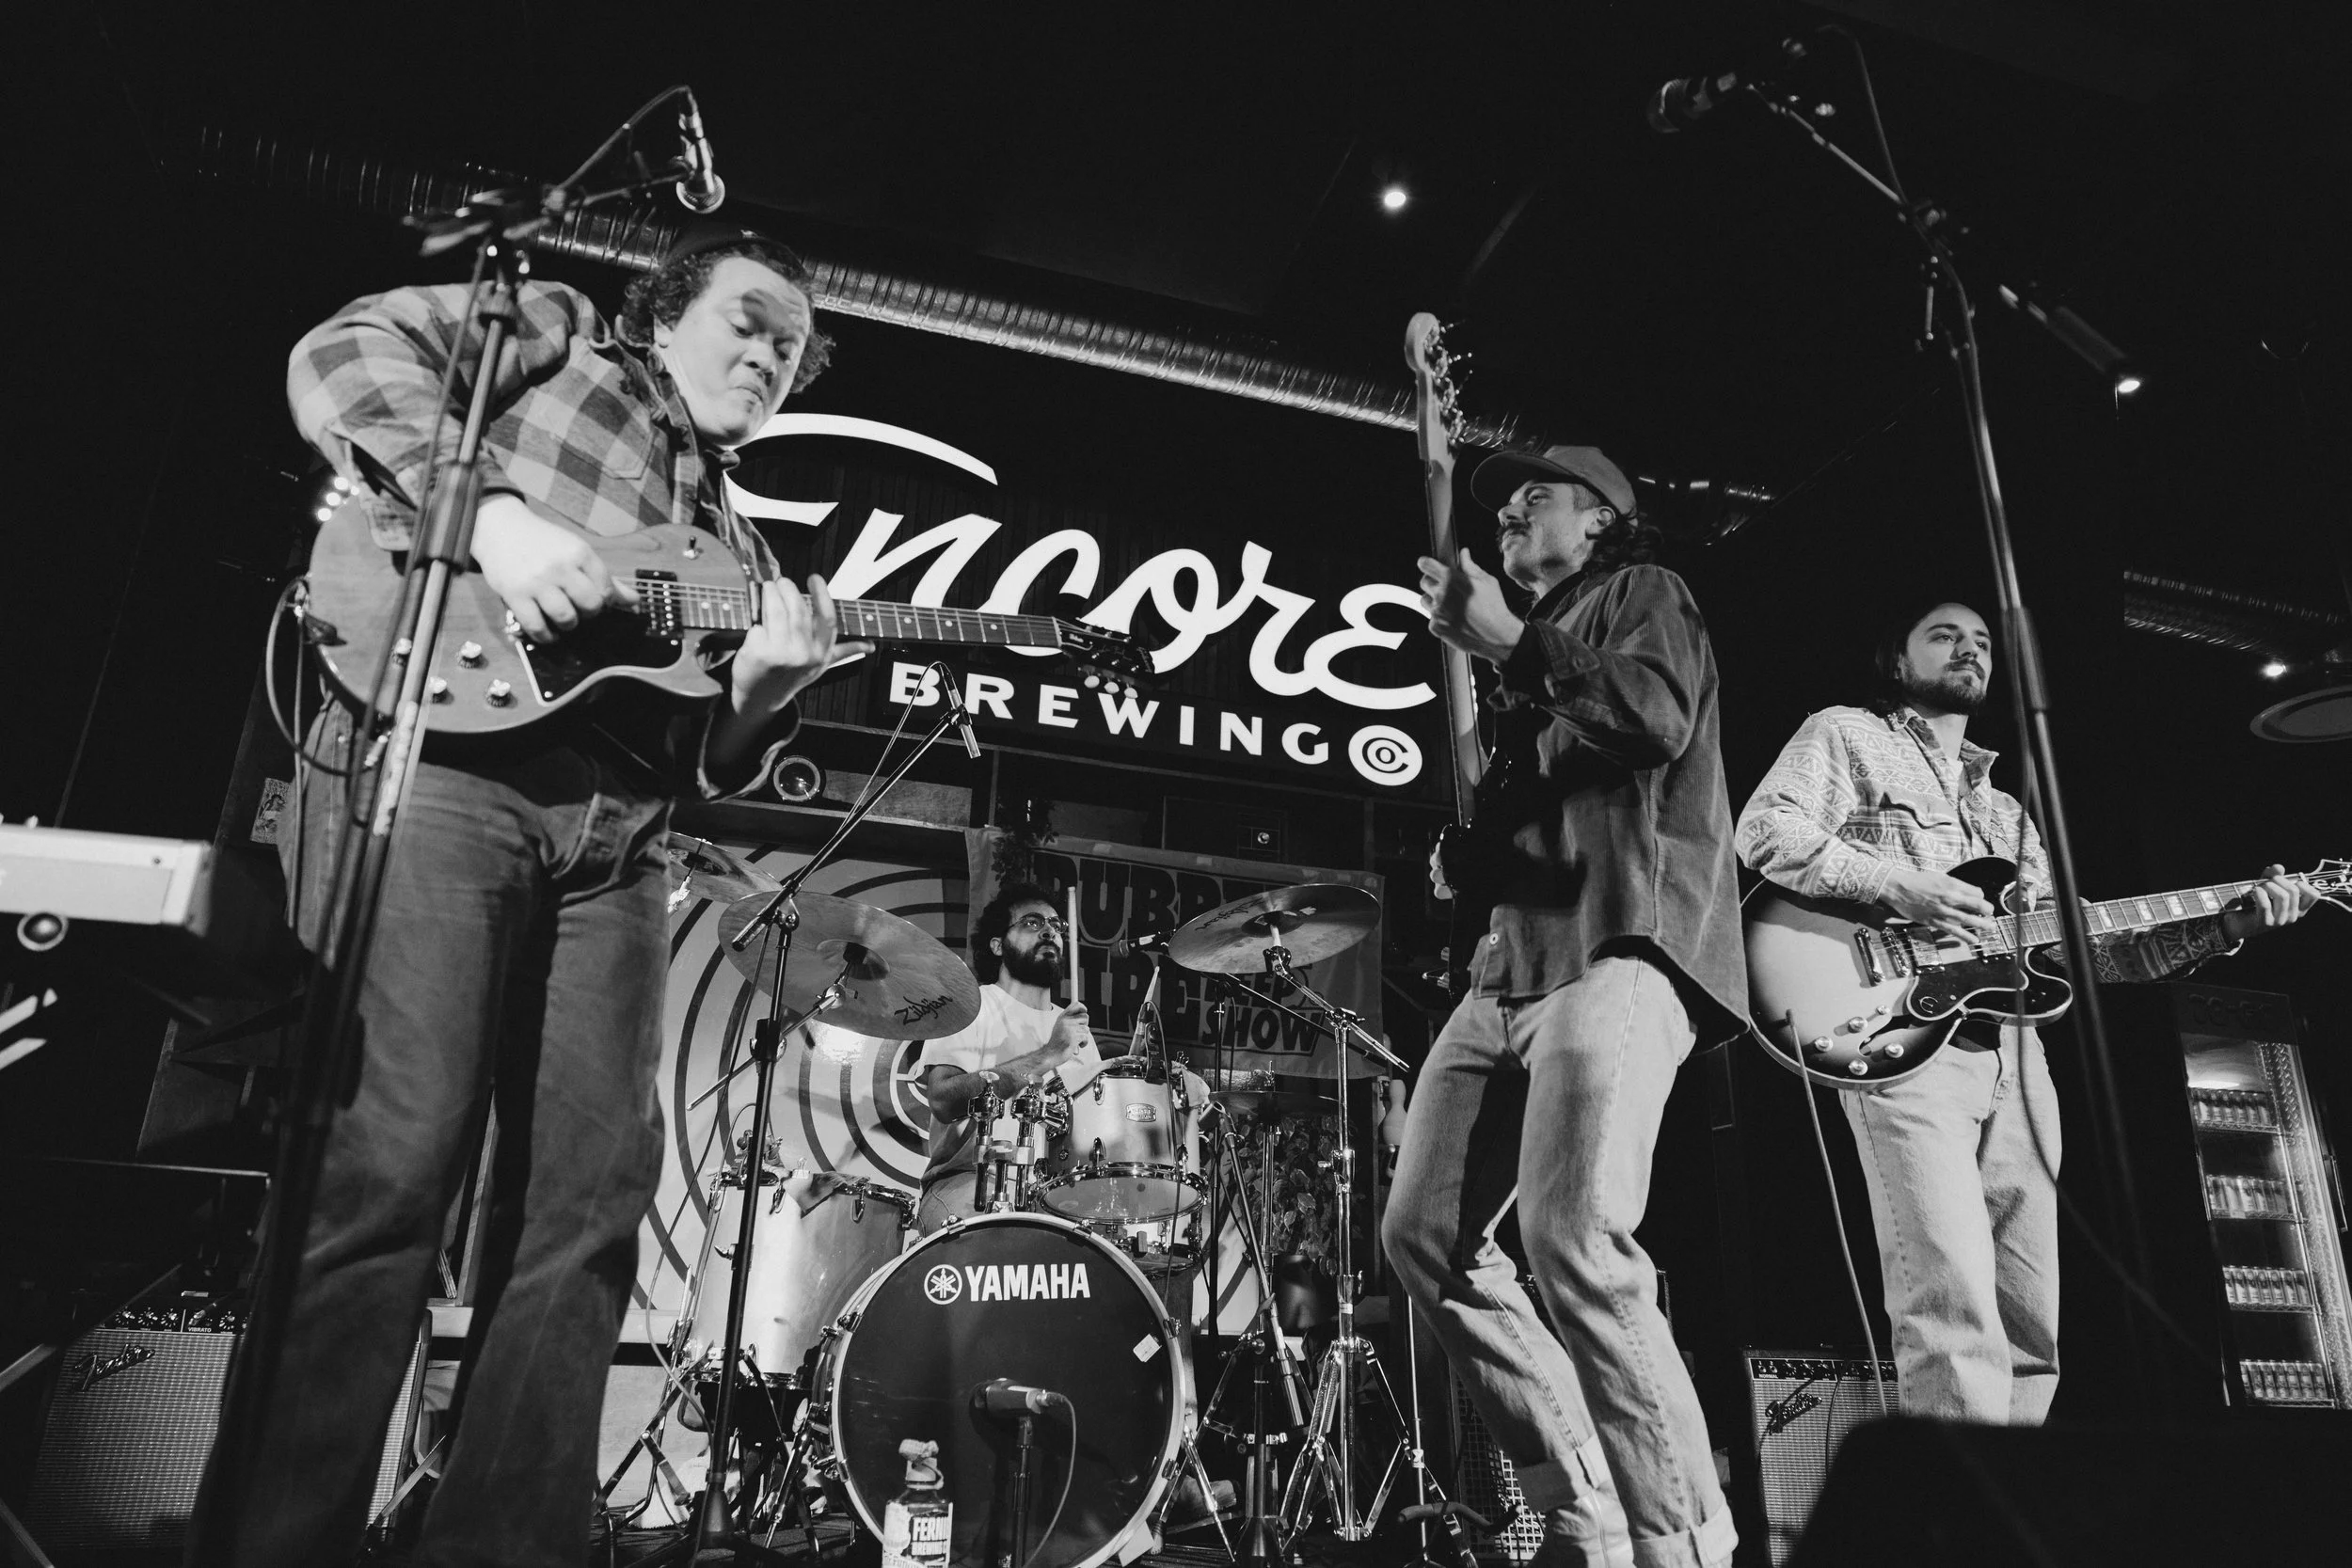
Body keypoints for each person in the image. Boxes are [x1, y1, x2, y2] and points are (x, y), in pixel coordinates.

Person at [202, 229, 870, 1568]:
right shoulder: (558, 340)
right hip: (447, 765)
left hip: (617, 840)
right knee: (386, 1164)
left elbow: (697, 759)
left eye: (789, 350)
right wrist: (497, 520)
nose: (768, 356)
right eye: (749, 321)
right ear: (669, 308)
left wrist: (759, 694)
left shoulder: (728, 538)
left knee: (591, 1200)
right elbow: (342, 352)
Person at [1735, 597, 2321, 1424]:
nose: (1970, 650)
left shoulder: (2006, 812)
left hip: (2017, 1058)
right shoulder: (1846, 733)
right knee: (1950, 1302)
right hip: (1900, 1041)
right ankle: (1960, 1526)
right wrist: (1897, 884)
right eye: (1944, 635)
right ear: (1896, 661)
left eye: (1981, 641)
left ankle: (2016, 1507)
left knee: (2029, 1313)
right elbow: (1764, 830)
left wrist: (2227, 925)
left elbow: (2086, 947)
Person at [1386, 446, 1750, 1568]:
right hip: (1507, 967)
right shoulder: (1513, 671)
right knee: (1427, 1238)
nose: (1505, 515)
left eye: (1532, 497)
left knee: (1576, 1233)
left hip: (1619, 941)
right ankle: (1584, 1506)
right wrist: (1465, 862)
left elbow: (1655, 717)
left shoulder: (1644, 594)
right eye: (1496, 505)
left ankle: (1685, 1541)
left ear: (1600, 520)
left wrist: (1511, 641)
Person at [914, 881, 1103, 1232]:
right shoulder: (972, 1006)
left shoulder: (1077, 1031)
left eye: (1057, 926)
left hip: (1055, 1192)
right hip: (970, 1181)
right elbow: (942, 1099)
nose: (1050, 931)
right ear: (998, 945)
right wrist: (1047, 1055)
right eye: (1032, 923)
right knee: (994, 1242)